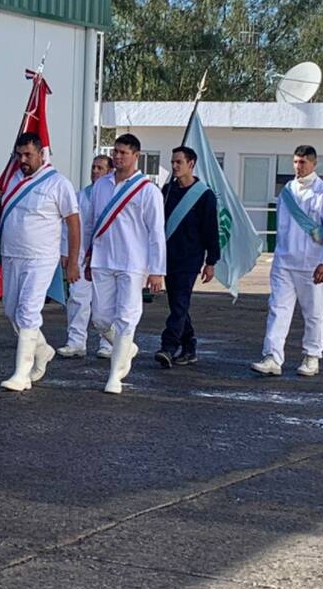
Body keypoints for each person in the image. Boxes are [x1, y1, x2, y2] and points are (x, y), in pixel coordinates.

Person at [0, 133, 80, 391]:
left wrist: (73, 261)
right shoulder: (10, 180)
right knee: (12, 311)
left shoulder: (58, 183)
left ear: (42, 153)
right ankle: (43, 350)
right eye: (19, 154)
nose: (23, 160)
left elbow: (73, 225)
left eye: (28, 154)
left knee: (28, 311)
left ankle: (22, 373)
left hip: (41, 258)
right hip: (11, 255)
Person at [82, 133, 166, 394]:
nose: (118, 157)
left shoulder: (148, 190)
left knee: (127, 317)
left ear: (136, 156)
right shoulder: (101, 186)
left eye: (124, 153)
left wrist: (157, 270)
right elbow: (90, 224)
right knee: (100, 317)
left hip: (133, 262)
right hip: (103, 259)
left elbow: (156, 232)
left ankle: (115, 376)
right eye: (116, 152)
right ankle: (126, 348)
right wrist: (85, 255)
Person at [251, 145, 323, 378]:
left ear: (313, 163)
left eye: (303, 162)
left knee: (313, 312)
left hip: (312, 263)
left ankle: (312, 356)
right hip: (284, 261)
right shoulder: (287, 191)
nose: (298, 167)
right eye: (295, 162)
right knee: (277, 309)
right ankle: (272, 356)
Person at [155, 146, 220, 368]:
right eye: (173, 162)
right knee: (177, 305)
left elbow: (211, 230)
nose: (174, 166)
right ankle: (190, 345)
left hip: (190, 259)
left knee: (180, 303)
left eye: (178, 162)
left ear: (191, 164)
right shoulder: (167, 192)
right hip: (168, 257)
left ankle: (168, 347)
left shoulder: (204, 195)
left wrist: (211, 261)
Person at [57, 155, 114, 359]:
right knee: (78, 298)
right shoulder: (80, 196)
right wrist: (65, 251)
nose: (95, 171)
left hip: (106, 256)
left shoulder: (114, 196)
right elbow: (67, 225)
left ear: (110, 172)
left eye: (100, 168)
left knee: (105, 302)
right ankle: (76, 341)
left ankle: (108, 344)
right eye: (93, 167)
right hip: (81, 254)